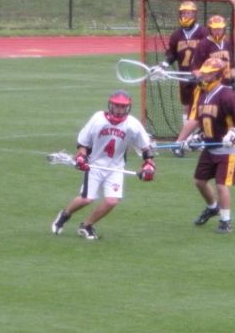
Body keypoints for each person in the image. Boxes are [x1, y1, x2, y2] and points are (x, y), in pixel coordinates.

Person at [51, 90, 156, 240]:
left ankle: (86, 226)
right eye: (116, 106)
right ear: (110, 105)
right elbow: (83, 143)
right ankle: (65, 215)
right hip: (94, 165)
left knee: (112, 201)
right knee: (87, 199)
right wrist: (81, 157)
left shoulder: (132, 124)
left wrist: (149, 165)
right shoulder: (98, 119)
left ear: (128, 107)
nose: (119, 110)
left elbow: (146, 148)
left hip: (116, 167)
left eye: (123, 107)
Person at [176, 58, 235, 234]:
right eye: (204, 73)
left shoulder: (227, 95)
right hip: (211, 147)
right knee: (199, 181)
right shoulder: (203, 95)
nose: (204, 76)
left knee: (221, 184)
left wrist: (234, 133)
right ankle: (213, 208)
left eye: (208, 73)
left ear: (217, 75)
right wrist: (196, 139)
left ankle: (226, 221)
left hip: (229, 149)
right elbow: (207, 124)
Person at [159, 0, 209, 157]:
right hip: (184, 76)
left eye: (189, 13)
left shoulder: (203, 32)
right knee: (187, 107)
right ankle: (188, 139)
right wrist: (164, 65)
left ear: (195, 15)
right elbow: (172, 54)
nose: (186, 16)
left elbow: (210, 52)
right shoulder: (177, 35)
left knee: (202, 106)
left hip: (201, 77)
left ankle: (196, 138)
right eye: (184, 13)